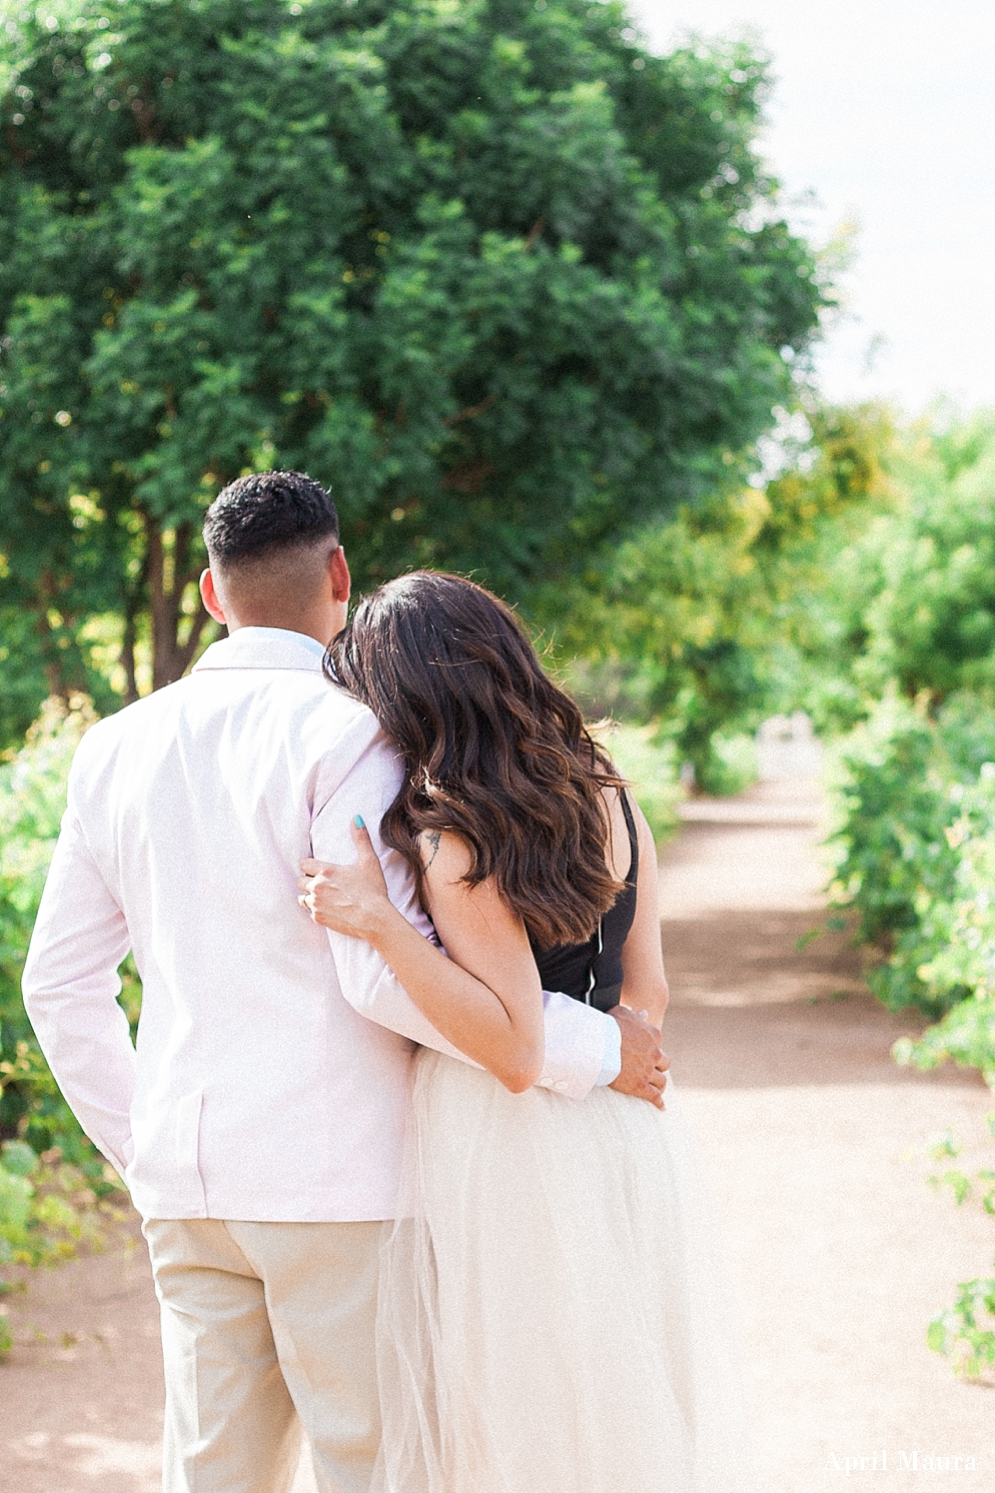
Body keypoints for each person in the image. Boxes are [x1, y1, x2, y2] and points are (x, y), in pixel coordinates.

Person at [21, 471, 668, 1493]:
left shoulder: (112, 745)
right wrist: (595, 1046)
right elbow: (378, 977)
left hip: (188, 1183)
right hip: (343, 1179)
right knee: (374, 1467)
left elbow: (57, 984)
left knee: (212, 1473)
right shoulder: (355, 729)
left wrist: (140, 1145)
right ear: (340, 571)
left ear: (207, 593)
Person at [298, 571, 753, 1493]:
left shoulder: (454, 833)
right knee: (608, 1399)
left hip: (496, 1147)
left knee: (506, 1421)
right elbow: (646, 995)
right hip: (621, 1135)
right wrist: (610, 1062)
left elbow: (511, 1049)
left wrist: (382, 925)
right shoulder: (610, 794)